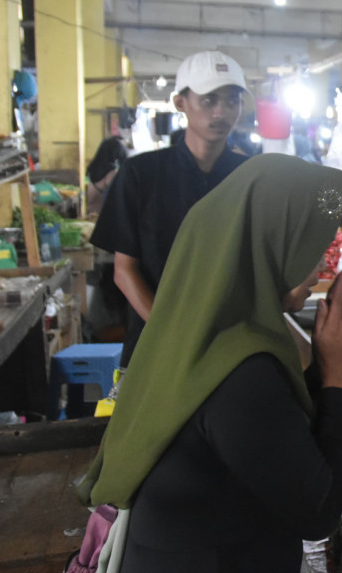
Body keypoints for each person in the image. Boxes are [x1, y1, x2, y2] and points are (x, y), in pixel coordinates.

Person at [75, 155, 342, 573]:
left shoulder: (197, 334)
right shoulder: (237, 370)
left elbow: (278, 444)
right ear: (268, 242)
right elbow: (318, 511)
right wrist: (340, 379)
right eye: (310, 242)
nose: (321, 262)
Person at [92, 51, 250, 367]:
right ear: (180, 103)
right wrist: (171, 332)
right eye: (209, 100)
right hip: (156, 345)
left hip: (230, 347)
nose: (221, 112)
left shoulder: (250, 176)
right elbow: (125, 272)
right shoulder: (140, 174)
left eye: (232, 101)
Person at [84, 136, 128, 216]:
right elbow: (114, 197)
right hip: (99, 216)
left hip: (88, 213)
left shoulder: (92, 166)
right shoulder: (111, 171)